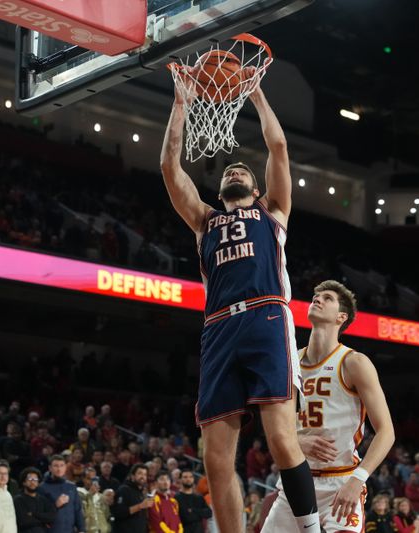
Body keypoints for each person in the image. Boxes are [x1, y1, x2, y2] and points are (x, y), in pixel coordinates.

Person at [160, 63, 319, 533]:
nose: (233, 169)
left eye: (241, 169)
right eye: (228, 167)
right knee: (214, 457)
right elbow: (171, 166)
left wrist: (255, 93)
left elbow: (279, 146)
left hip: (266, 316)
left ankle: (311, 530)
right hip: (218, 330)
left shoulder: (273, 212)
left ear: (255, 188)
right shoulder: (204, 220)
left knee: (281, 440)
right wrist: (181, 103)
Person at [262, 281, 396, 533]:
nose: (317, 299)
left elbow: (387, 431)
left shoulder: (354, 362)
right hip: (295, 478)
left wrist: (358, 480)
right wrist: (295, 441)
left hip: (341, 481)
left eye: (327, 298)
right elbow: (274, 425)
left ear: (341, 317)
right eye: (315, 296)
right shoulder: (290, 361)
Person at [37, 456, 84, 533]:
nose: (59, 469)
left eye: (62, 466)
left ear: (65, 467)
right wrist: (56, 505)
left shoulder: (71, 486)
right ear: (50, 468)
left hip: (70, 530)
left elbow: (77, 509)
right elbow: (40, 513)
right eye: (56, 466)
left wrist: (81, 529)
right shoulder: (42, 488)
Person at [13, 467, 57, 533]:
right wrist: (43, 522)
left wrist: (34, 514)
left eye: (35, 479)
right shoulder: (18, 500)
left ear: (38, 482)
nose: (33, 482)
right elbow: (24, 521)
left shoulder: (43, 500)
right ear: (24, 482)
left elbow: (52, 517)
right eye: (30, 479)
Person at [111, 464, 153, 533]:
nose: (143, 476)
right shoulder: (124, 490)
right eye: (140, 473)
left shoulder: (142, 493)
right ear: (132, 476)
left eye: (145, 474)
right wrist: (140, 506)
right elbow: (118, 513)